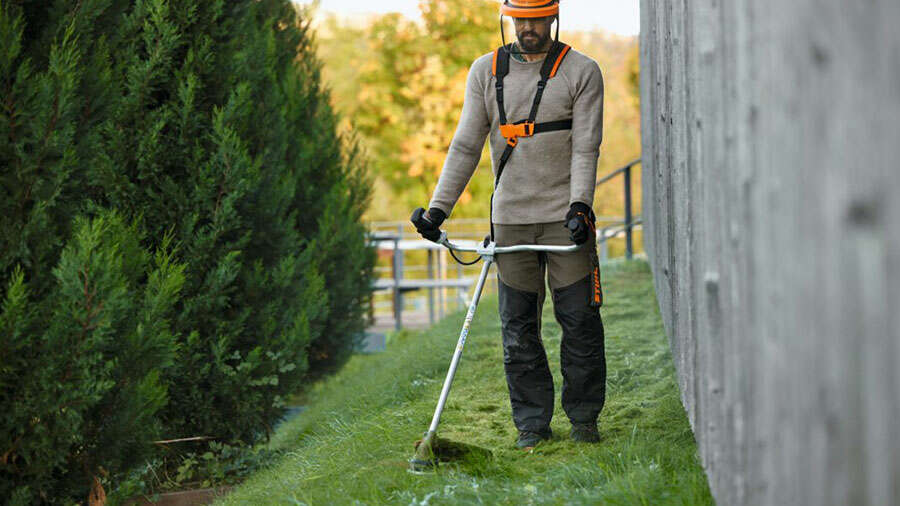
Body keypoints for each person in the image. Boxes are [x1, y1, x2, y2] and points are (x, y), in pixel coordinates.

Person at [410, 0, 605, 450]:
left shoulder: (582, 70)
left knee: (579, 321)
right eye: (520, 19)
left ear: (553, 18)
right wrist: (438, 209)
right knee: (518, 330)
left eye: (536, 19)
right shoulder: (485, 71)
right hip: (510, 223)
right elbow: (465, 145)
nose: (528, 27)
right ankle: (532, 426)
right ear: (508, 20)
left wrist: (580, 205)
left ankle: (584, 420)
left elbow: (586, 147)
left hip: (564, 222)